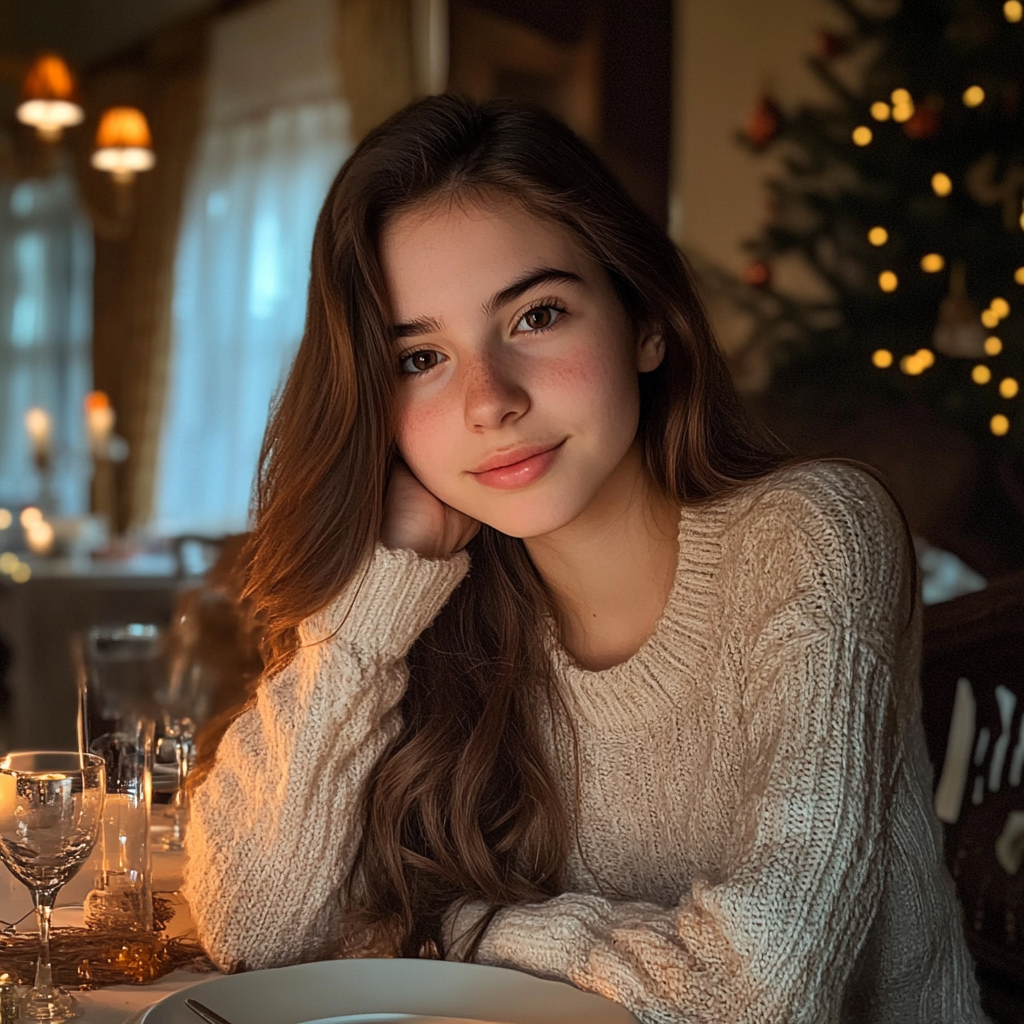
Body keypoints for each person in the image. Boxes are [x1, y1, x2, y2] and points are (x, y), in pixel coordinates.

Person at [182, 95, 988, 1023]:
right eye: (420, 360)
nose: (490, 402)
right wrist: (380, 596)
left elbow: (758, 994)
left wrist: (466, 930)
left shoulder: (814, 533)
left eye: (537, 315)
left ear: (645, 322)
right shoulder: (441, 603)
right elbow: (252, 923)